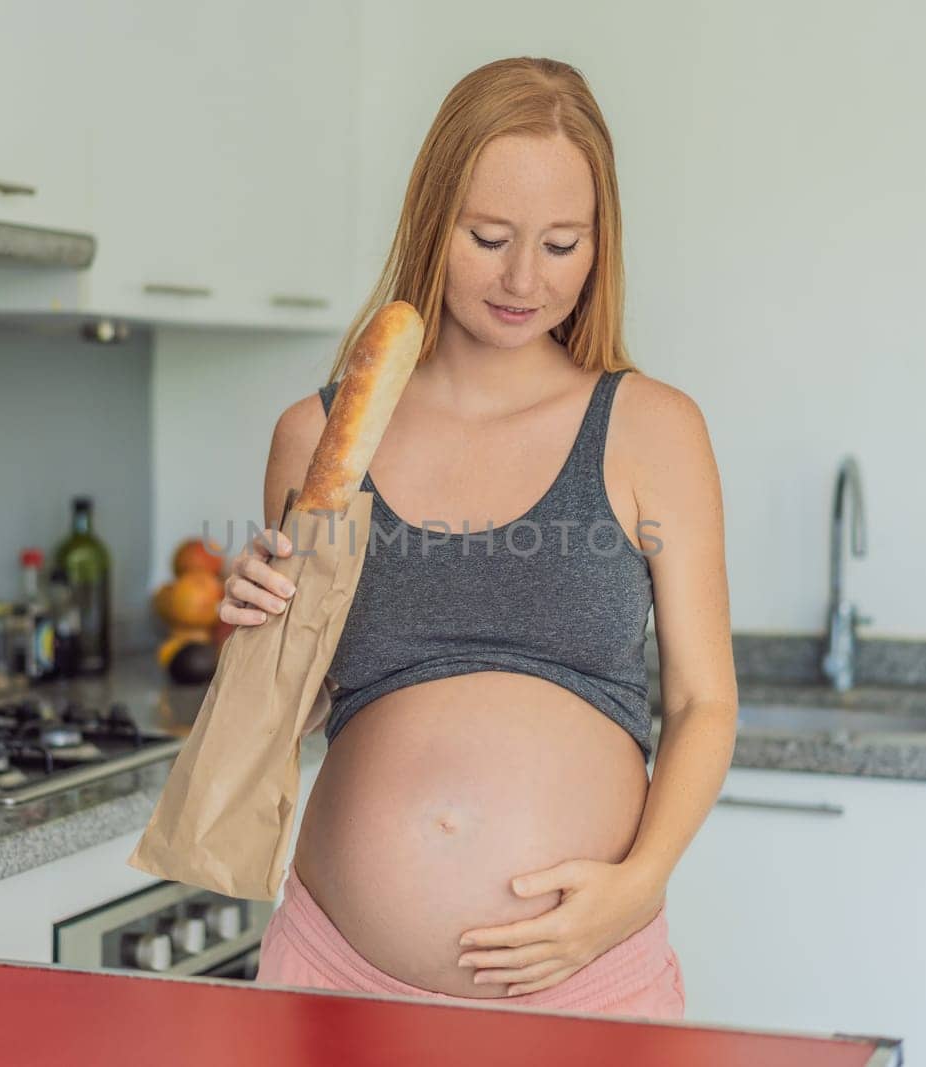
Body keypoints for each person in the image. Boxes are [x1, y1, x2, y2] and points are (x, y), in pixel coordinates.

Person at [226, 57, 737, 1021]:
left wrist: (638, 885)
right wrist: (252, 623)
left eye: (561, 244)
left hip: (585, 978)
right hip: (335, 973)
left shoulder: (652, 429)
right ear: (433, 222)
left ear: (600, 244)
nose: (521, 279)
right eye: (489, 237)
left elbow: (704, 700)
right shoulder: (322, 436)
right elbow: (283, 716)